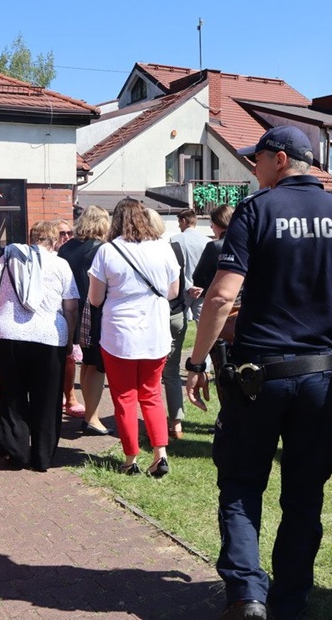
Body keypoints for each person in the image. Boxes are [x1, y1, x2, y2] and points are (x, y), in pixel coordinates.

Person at [184, 126, 332, 620]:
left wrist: (197, 361)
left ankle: (247, 595)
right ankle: (289, 602)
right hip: (319, 374)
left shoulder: (257, 210)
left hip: (258, 376)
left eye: (258, 159)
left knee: (243, 483)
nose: (253, 167)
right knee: (305, 495)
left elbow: (222, 296)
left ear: (281, 159)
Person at [88, 198, 179, 477]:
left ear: (116, 220)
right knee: (151, 395)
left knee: (125, 396)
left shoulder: (107, 250)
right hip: (156, 332)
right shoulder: (164, 247)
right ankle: (160, 453)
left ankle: (130, 458)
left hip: (120, 334)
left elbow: (95, 298)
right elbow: (173, 292)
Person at [0, 221, 79, 472]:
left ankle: (14, 453)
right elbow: (70, 307)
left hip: (7, 334)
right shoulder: (61, 265)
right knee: (47, 399)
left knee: (12, 395)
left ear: (31, 238)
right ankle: (42, 457)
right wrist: (70, 341)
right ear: (54, 241)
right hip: (49, 336)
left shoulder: (8, 257)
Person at [57, 206, 113, 436]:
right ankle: (92, 417)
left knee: (87, 364)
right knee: (97, 367)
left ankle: (89, 412)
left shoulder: (66, 247)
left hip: (68, 311)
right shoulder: (102, 249)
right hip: (93, 315)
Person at [147, 208, 188, 440]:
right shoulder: (174, 248)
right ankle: (176, 423)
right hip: (176, 313)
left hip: (154, 315)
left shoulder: (141, 252)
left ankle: (154, 424)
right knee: (171, 371)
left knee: (149, 374)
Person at [55, 219, 85, 418]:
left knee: (69, 359)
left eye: (69, 233)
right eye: (61, 233)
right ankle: (56, 397)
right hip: (50, 314)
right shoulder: (48, 257)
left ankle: (70, 396)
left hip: (69, 311)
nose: (65, 237)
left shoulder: (73, 255)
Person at [170, 209, 209, 321]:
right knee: (203, 323)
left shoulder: (174, 240)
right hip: (200, 289)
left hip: (182, 288)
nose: (178, 226)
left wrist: (188, 285)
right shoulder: (206, 241)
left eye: (179, 223)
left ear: (183, 221)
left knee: (179, 323)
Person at [189, 204, 234, 298]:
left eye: (212, 222)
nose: (211, 227)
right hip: (246, 302)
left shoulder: (214, 246)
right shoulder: (249, 244)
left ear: (218, 223)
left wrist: (205, 290)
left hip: (220, 299)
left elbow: (197, 277)